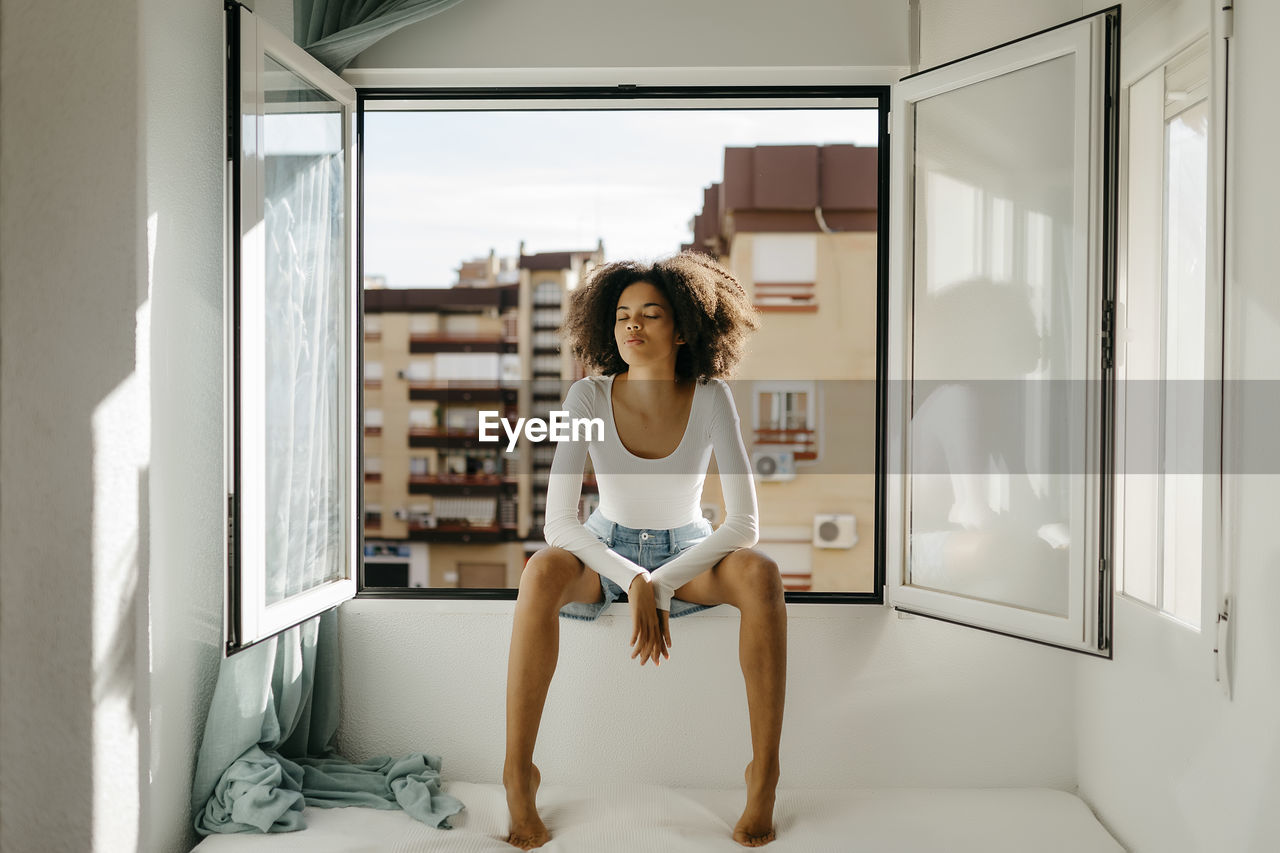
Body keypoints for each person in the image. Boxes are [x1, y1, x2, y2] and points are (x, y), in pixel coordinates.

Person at [502, 252, 787, 849]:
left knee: (760, 575)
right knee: (542, 570)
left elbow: (744, 524)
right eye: (623, 314)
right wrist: (632, 577)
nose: (632, 326)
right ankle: (517, 773)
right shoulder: (588, 397)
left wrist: (656, 583)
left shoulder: (711, 398)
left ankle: (763, 774)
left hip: (687, 553)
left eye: (651, 315)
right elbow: (559, 521)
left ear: (683, 328)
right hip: (605, 552)